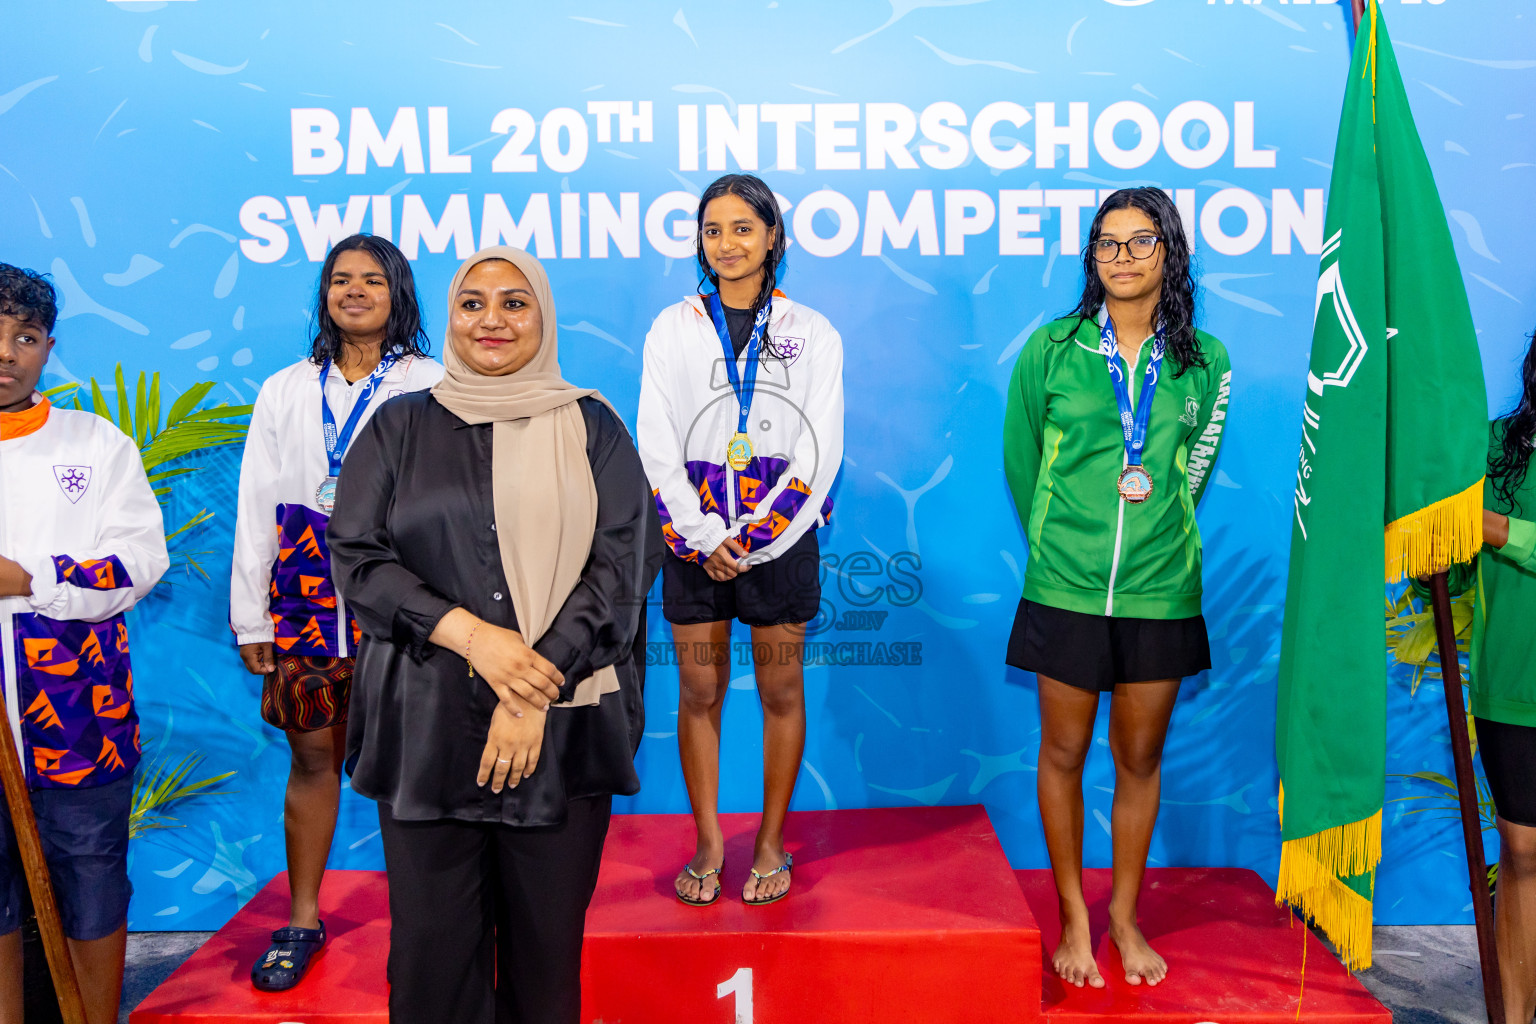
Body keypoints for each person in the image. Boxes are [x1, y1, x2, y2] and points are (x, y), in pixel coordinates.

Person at [328, 245, 661, 1024]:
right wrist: (476, 639)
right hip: (428, 730)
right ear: (450, 317)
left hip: (560, 731)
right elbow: (358, 556)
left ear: (543, 316)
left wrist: (531, 685)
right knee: (429, 968)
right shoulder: (400, 425)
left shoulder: (593, 426)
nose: (492, 320)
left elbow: (622, 565)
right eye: (473, 302)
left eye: (515, 302)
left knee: (545, 970)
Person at [1002, 187, 1232, 989]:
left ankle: (1124, 919)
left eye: (1141, 242)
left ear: (1171, 252)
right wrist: (1062, 541)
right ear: (1090, 256)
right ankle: (1073, 916)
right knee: (1063, 751)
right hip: (1065, 587)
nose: (1123, 257)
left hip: (1160, 590)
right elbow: (1022, 461)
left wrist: (1152, 537)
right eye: (1108, 243)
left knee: (1139, 758)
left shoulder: (1206, 360)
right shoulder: (1053, 350)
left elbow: (1190, 472)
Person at [229, 234, 441, 990]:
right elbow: (257, 500)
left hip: (403, 600)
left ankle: (424, 922)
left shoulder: (432, 382)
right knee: (313, 758)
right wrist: (253, 618)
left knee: (407, 768)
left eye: (372, 281)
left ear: (399, 294)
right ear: (324, 294)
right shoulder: (287, 388)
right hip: (307, 602)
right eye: (340, 280)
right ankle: (303, 918)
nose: (354, 291)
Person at [637, 172, 844, 906]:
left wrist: (755, 538)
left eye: (743, 229)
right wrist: (698, 536)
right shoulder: (672, 327)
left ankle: (770, 841)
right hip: (692, 541)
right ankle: (707, 841)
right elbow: (655, 440)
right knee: (699, 690)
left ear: (773, 238)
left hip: (780, 543)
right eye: (713, 230)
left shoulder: (811, 331)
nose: (727, 243)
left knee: (781, 689)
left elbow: (820, 450)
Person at [0, 263, 168, 1024]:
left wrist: (28, 577)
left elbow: (139, 562)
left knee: (93, 877)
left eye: (25, 337)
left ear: (48, 349)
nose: (7, 352)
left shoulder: (95, 444)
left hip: (77, 713)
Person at [1472, 329, 1536, 1024]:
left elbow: (1490, 532)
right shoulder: (1497, 448)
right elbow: (1452, 552)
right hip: (1512, 688)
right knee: (1521, 853)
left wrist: (1494, 528)